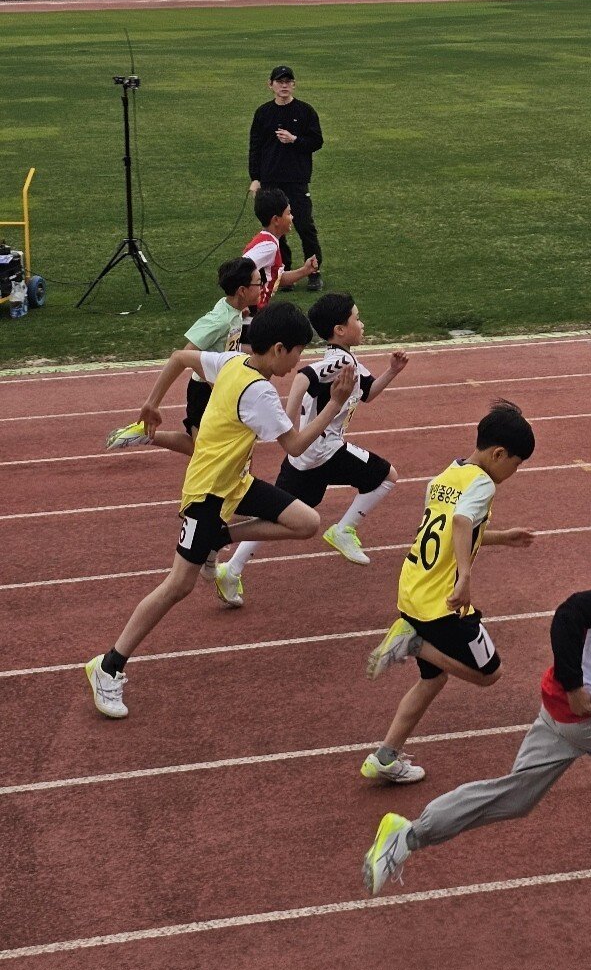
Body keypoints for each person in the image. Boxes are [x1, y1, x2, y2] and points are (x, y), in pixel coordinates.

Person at [363, 475, 591, 910]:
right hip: (587, 713)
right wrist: (576, 687)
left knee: (516, 796)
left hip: (559, 710)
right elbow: (567, 617)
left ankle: (407, 836)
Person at [85, 303, 356, 719]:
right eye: (297, 352)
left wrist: (151, 404)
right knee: (178, 586)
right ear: (279, 349)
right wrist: (333, 403)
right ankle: (108, 666)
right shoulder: (260, 392)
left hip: (235, 485)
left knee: (307, 522)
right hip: (208, 493)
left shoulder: (232, 362)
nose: (298, 362)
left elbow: (180, 357)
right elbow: (296, 447)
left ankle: (220, 538)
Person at [359, 402, 536, 784]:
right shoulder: (483, 483)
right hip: (442, 603)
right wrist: (465, 577)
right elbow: (460, 521)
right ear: (498, 454)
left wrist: (500, 537)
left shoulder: (446, 474)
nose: (515, 472)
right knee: (489, 674)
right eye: (517, 463)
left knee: (433, 680)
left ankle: (386, 756)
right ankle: (413, 644)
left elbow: (449, 532)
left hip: (413, 589)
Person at [217, 293, 408, 604]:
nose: (362, 324)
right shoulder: (341, 361)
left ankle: (231, 569)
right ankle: (343, 530)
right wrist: (287, 419)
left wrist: (392, 371)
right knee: (387, 476)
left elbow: (368, 392)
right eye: (357, 318)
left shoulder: (347, 359)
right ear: (340, 330)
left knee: (280, 516)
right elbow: (303, 377)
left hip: (304, 457)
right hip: (324, 450)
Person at [104, 256, 262, 458]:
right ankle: (144, 435)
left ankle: (144, 436)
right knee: (206, 452)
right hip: (204, 393)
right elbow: (183, 355)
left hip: (220, 389)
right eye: (258, 283)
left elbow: (228, 341)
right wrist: (153, 402)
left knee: (212, 449)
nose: (262, 287)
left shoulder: (234, 310)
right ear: (242, 291)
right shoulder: (219, 321)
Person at [248, 65, 325, 293]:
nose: (284, 86)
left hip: (296, 180)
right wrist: (255, 178)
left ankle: (314, 272)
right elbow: (255, 148)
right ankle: (283, 274)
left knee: (304, 226)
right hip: (271, 181)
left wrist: (294, 139)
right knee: (276, 230)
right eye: (279, 82)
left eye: (288, 82)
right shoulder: (263, 113)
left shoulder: (305, 111)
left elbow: (316, 142)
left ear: (294, 85)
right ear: (270, 85)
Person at [243, 187, 318, 309]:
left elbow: (277, 278)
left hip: (258, 313)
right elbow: (240, 269)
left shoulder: (268, 241)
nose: (292, 217)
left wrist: (305, 270)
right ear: (276, 220)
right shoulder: (269, 246)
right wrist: (243, 305)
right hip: (251, 316)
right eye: (288, 213)